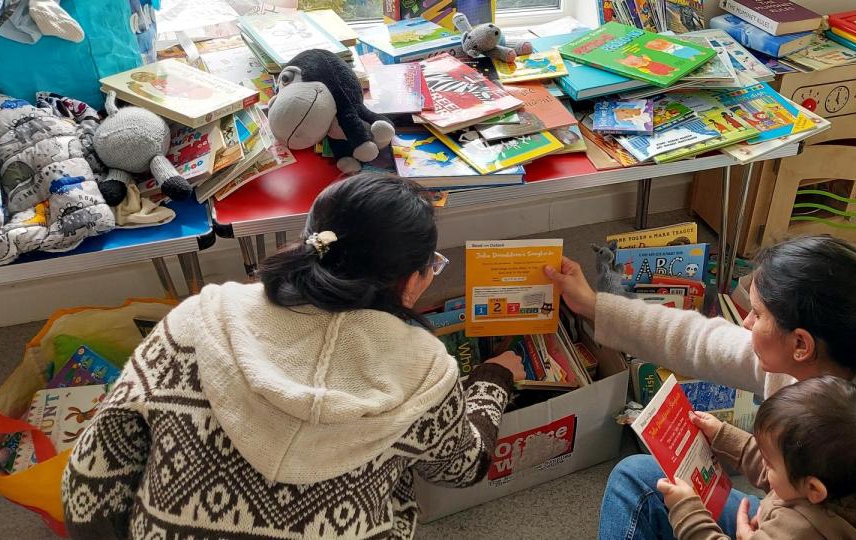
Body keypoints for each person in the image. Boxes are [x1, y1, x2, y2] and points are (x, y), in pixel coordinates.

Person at [62, 175, 526, 539]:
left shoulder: (197, 320)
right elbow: (463, 468)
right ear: (411, 279)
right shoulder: (427, 371)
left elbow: (87, 484)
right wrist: (491, 380)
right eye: (431, 267)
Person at [544, 235, 856, 539]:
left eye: (756, 313)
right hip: (796, 523)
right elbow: (696, 340)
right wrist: (592, 305)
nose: (745, 322)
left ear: (800, 343)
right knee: (638, 479)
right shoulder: (816, 361)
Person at [658, 376, 856, 540]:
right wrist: (722, 435)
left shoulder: (797, 531)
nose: (764, 464)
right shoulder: (842, 483)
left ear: (813, 488)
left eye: (769, 463)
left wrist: (688, 512)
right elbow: (784, 470)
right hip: (764, 520)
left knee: (637, 474)